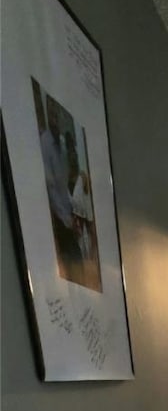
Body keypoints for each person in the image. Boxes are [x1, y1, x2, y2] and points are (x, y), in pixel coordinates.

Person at [39, 97, 84, 283]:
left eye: (57, 114)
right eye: (52, 114)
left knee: (77, 261)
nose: (55, 118)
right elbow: (51, 190)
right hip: (58, 218)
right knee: (71, 266)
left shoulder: (62, 145)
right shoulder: (45, 143)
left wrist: (72, 214)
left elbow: (63, 187)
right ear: (48, 115)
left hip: (67, 213)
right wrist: (66, 220)